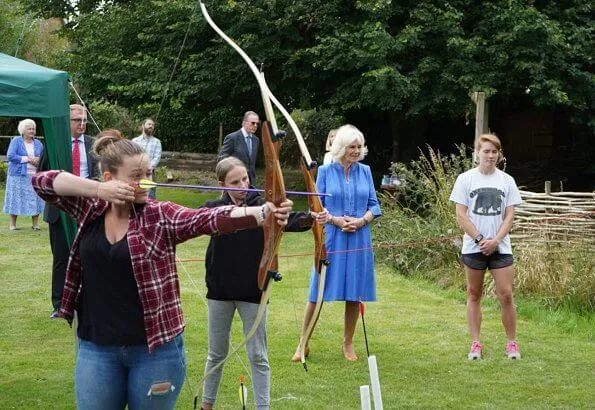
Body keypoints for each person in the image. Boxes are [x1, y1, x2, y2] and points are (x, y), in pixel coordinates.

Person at [31, 133, 293, 410]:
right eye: (136, 175)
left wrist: (264, 213)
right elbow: (43, 182)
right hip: (96, 347)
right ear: (109, 179)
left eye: (149, 173)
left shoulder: (160, 214)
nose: (147, 181)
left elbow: (204, 219)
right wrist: (97, 191)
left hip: (155, 351)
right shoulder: (90, 208)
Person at [200, 157, 312, 410]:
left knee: (258, 356)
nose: (243, 185)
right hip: (219, 289)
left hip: (254, 290)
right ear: (222, 184)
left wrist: (311, 218)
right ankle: (207, 405)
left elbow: (290, 220)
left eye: (245, 179)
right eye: (235, 181)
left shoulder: (263, 204)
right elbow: (210, 219)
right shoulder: (213, 208)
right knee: (216, 354)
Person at [292, 124, 381, 362]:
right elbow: (316, 206)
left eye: (359, 146)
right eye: (352, 146)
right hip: (332, 237)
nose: (356, 150)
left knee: (354, 293)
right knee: (317, 291)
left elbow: (375, 205)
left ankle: (348, 343)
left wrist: (362, 220)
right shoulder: (325, 171)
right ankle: (303, 343)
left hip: (359, 237)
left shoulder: (365, 171)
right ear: (341, 147)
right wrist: (334, 219)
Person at [449, 133, 522, 360]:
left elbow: (510, 216)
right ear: (477, 153)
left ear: (499, 154)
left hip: (500, 247)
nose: (490, 155)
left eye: (494, 151)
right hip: (474, 247)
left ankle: (511, 343)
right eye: (486, 151)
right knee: (473, 293)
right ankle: (475, 343)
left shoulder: (507, 181)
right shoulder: (465, 179)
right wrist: (481, 240)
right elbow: (461, 215)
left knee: (506, 294)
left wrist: (496, 241)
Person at [40, 104, 100, 318]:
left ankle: (89, 300)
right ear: (67, 122)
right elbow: (42, 175)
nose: (82, 124)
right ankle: (59, 305)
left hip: (88, 208)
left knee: (90, 254)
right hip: (60, 209)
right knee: (62, 258)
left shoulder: (94, 145)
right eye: (77, 120)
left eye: (84, 120)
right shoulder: (55, 145)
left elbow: (99, 175)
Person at [3, 119, 45, 230]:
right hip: (17, 175)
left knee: (35, 198)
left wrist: (38, 160)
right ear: (23, 130)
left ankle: (35, 224)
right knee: (15, 198)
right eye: (29, 128)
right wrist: (28, 159)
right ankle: (13, 225)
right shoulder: (16, 141)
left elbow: (43, 158)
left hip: (34, 175)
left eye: (33, 128)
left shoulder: (38, 143)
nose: (32, 130)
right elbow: (10, 156)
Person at [217, 111, 260, 184]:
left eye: (257, 123)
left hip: (251, 182)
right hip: (235, 182)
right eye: (253, 123)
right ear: (244, 123)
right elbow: (221, 159)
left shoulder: (256, 140)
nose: (255, 125)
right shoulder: (232, 138)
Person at [132, 118, 161, 199]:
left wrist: (147, 168)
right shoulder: (135, 141)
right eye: (149, 124)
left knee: (150, 194)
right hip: (135, 171)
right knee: (134, 192)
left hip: (149, 172)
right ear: (143, 126)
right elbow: (131, 156)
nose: (151, 126)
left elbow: (157, 158)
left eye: (153, 125)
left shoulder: (157, 142)